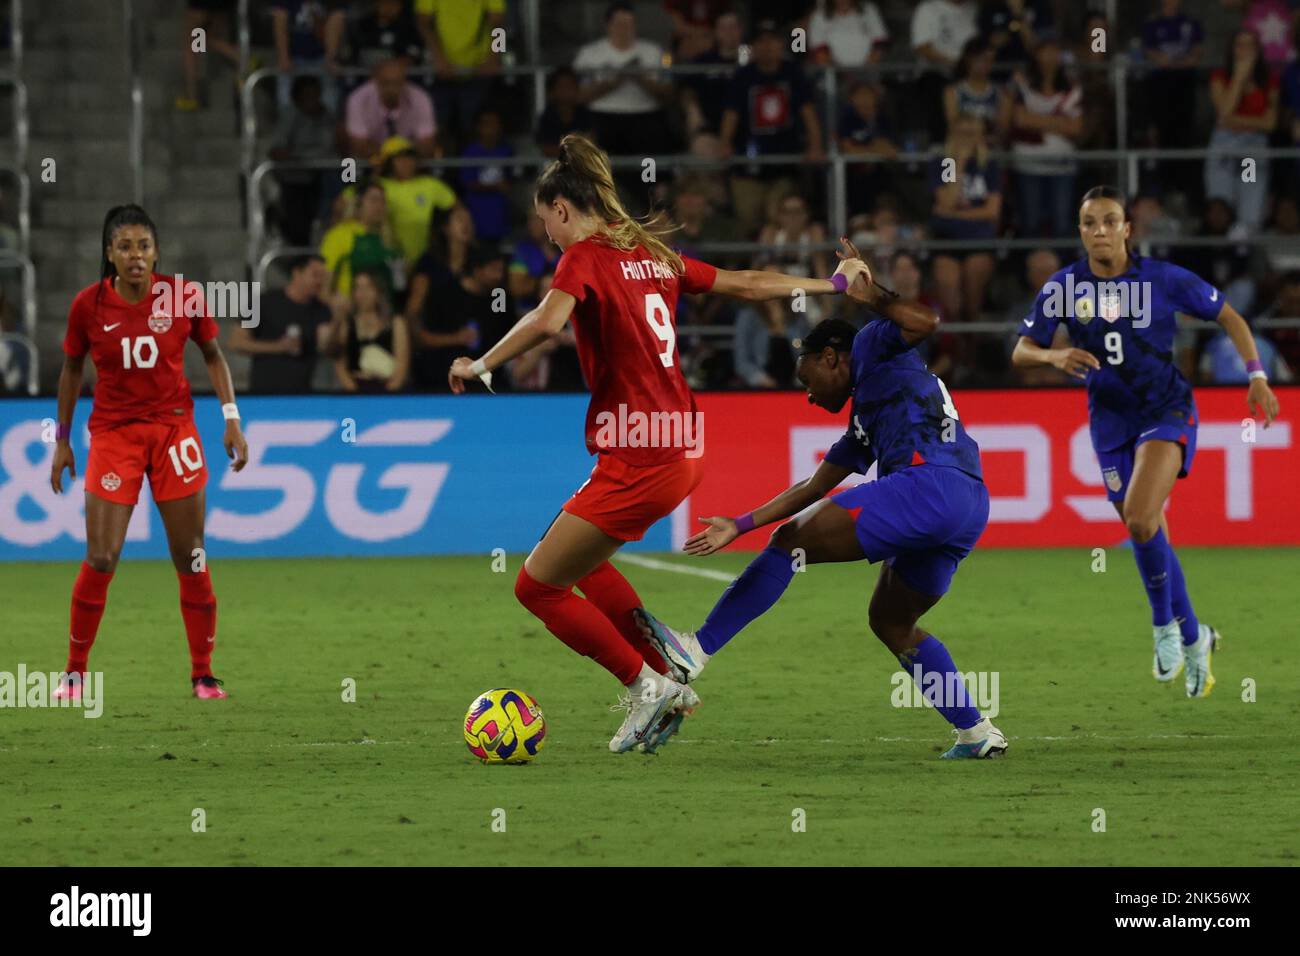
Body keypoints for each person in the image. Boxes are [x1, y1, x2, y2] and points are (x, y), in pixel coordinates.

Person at [446, 133, 866, 753]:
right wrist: (832, 282)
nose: (548, 237)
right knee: (580, 562)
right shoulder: (650, 252)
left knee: (535, 586)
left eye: (546, 224)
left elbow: (546, 321)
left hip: (641, 454)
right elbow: (746, 282)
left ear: (563, 209)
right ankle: (667, 671)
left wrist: (479, 364)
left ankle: (647, 686)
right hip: (682, 447)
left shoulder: (584, 256)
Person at [635, 260, 1009, 760]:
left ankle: (695, 650)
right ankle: (976, 731)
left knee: (791, 544)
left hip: (929, 484)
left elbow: (927, 323)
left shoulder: (872, 346)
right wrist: (740, 523)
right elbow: (814, 486)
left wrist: (870, 293)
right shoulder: (865, 419)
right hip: (967, 503)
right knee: (891, 622)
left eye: (804, 374)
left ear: (832, 356)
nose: (807, 394)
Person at [1011, 186, 1281, 697]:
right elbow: (1022, 350)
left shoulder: (1163, 278)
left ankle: (1163, 627)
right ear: (1081, 231)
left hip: (1166, 410)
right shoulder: (1063, 287)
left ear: (1128, 229)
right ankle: (1196, 636)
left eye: (1110, 221)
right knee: (1147, 528)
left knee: (1138, 516)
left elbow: (1229, 316)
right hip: (1109, 422)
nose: (1100, 231)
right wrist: (1052, 357)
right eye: (1090, 222)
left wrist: (1257, 376)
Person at [49, 204, 249, 701]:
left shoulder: (183, 297)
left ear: (156, 252)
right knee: (101, 556)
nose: (135, 255)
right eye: (124, 246)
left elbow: (213, 356)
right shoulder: (88, 306)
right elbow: (72, 370)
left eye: (143, 246)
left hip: (174, 432)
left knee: (192, 556)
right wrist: (62, 440)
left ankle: (203, 674)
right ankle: (74, 673)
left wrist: (231, 419)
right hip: (115, 436)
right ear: (109, 254)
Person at [720, 19, 826, 238]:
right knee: (747, 218)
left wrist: (815, 145)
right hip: (748, 164)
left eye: (772, 41)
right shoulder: (743, 76)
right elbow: (731, 113)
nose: (767, 46)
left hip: (785, 164)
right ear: (754, 46)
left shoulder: (793, 73)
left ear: (781, 44)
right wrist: (725, 143)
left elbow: (808, 112)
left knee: (777, 213)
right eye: (761, 41)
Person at [1205, 29, 1279, 233]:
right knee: (1220, 203)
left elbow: (1270, 123)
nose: (1245, 50)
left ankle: (1243, 248)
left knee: (1250, 201)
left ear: (1258, 50)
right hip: (1224, 144)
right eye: (1240, 45)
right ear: (1232, 49)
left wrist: (1233, 121)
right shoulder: (1220, 77)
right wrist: (1239, 76)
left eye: (1250, 45)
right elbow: (1223, 112)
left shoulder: (1268, 80)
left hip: (1252, 148)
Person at [929, 114, 1000, 324]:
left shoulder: (988, 165)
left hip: (979, 238)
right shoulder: (945, 164)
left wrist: (953, 213)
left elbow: (991, 212)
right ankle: (955, 346)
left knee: (973, 279)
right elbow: (947, 200)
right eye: (961, 134)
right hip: (947, 238)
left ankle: (972, 344)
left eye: (971, 134)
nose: (966, 139)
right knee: (949, 286)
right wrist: (958, 163)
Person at [1009, 35, 1083, 238]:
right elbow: (1020, 120)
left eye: (1054, 51)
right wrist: (1059, 122)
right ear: (1035, 54)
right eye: (1045, 50)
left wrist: (1036, 120)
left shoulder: (1072, 90)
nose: (1050, 56)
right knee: (1030, 225)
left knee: (1061, 226)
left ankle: (1063, 270)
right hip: (1028, 165)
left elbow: (1076, 128)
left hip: (1062, 166)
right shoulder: (1022, 85)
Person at [228, 254, 333, 393]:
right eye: (315, 275)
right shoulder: (263, 303)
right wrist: (278, 346)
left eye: (322, 277)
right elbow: (236, 342)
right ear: (297, 273)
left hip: (303, 395)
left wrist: (338, 313)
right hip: (264, 393)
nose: (319, 281)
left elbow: (326, 346)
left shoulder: (322, 310)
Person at [375, 135, 457, 267]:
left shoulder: (429, 184)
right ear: (389, 163)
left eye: (409, 156)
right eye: (399, 158)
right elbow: (346, 202)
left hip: (424, 259)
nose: (406, 162)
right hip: (386, 258)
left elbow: (458, 209)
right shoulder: (378, 186)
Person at [344, 58, 439, 161]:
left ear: (404, 81)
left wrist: (402, 157)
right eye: (387, 83)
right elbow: (359, 145)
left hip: (409, 162)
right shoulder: (358, 99)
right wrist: (392, 157)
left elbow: (427, 145)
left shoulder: (420, 98)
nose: (392, 89)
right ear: (376, 81)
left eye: (397, 83)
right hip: (372, 161)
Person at [332, 270, 409, 392]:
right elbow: (340, 365)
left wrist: (389, 393)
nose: (363, 294)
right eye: (358, 288)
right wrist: (355, 392)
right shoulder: (347, 324)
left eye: (368, 288)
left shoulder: (395, 323)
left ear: (378, 292)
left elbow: (402, 365)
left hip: (389, 389)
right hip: (356, 389)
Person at [808, 0, 890, 68]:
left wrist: (866, 69)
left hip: (869, 70)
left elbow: (880, 43)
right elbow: (819, 50)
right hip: (834, 73)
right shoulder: (819, 15)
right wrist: (841, 74)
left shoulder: (868, 9)